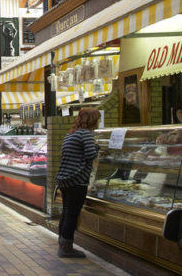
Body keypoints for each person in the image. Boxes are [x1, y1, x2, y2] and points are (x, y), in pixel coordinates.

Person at [55, 107, 100, 258]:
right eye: (97, 118)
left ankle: (62, 243)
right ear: (92, 119)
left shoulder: (71, 133)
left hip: (65, 179)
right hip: (77, 180)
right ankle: (66, 249)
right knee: (72, 214)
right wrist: (98, 148)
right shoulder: (86, 134)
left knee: (66, 212)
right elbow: (90, 155)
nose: (99, 121)